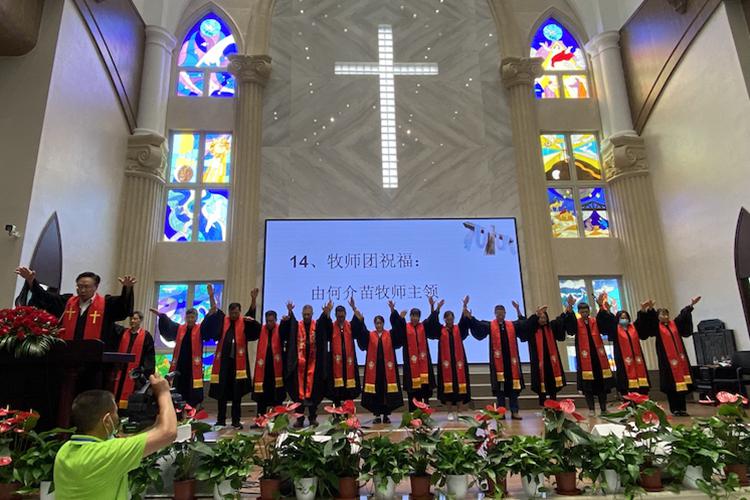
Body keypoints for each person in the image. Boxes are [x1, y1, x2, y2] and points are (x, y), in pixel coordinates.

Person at [53, 374, 177, 499]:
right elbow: (168, 433)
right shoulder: (105, 455)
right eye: (116, 412)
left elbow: (127, 443)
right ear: (107, 420)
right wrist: (163, 392)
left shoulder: (64, 451)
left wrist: (158, 422)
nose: (118, 418)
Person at [15, 267, 134, 349]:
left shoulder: (106, 304)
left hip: (94, 360)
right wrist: (31, 280)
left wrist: (127, 289)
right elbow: (46, 297)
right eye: (79, 286)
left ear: (95, 287)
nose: (82, 290)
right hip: (67, 354)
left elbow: (123, 307)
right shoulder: (67, 302)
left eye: (86, 287)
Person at [464, 297, 527, 420]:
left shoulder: (511, 325)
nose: (500, 315)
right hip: (498, 364)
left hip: (511, 364)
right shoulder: (490, 326)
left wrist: (518, 309)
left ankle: (515, 411)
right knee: (500, 390)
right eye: (498, 313)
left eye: (502, 313)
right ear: (495, 314)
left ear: (505, 314)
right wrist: (470, 317)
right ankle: (501, 412)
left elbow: (523, 324)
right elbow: (478, 325)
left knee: (514, 388)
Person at [203, 285, 256, 429]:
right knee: (222, 394)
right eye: (232, 312)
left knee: (237, 395)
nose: (235, 315)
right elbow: (214, 310)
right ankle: (220, 420)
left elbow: (252, 313)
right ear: (229, 312)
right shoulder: (223, 320)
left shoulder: (244, 322)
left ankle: (235, 420)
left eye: (237, 312)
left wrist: (253, 299)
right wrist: (211, 296)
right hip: (223, 366)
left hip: (238, 366)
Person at [636, 296, 701, 416]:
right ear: (658, 316)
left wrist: (691, 305)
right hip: (667, 362)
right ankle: (675, 409)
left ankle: (682, 409)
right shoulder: (657, 327)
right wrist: (649, 308)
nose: (665, 317)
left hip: (680, 361)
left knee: (682, 385)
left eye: (666, 314)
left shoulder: (674, 324)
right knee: (672, 386)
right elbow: (649, 322)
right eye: (662, 315)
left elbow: (683, 316)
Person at [351, 300, 403, 424]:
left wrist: (393, 311)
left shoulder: (389, 334)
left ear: (383, 323)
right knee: (376, 392)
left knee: (386, 392)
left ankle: (386, 415)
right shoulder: (370, 335)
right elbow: (361, 334)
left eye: (380, 323)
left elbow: (398, 330)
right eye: (376, 323)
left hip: (387, 369)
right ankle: (377, 414)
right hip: (374, 370)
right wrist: (358, 316)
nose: (378, 325)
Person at [283, 301, 332, 427]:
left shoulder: (317, 325)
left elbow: (325, 325)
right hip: (298, 366)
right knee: (298, 396)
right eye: (304, 314)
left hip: (314, 366)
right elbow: (289, 326)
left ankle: (312, 418)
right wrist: (289, 313)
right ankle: (299, 419)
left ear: (312, 314)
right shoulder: (296, 325)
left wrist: (326, 313)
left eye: (308, 314)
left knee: (313, 394)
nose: (306, 317)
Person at [150, 307, 209, 408]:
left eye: (192, 317)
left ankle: (192, 409)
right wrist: (162, 316)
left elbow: (209, 325)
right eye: (188, 317)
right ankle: (179, 410)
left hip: (193, 366)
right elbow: (169, 324)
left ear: (196, 318)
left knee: (192, 389)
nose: (190, 319)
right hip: (180, 365)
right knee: (179, 388)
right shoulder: (180, 329)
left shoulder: (200, 329)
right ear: (185, 318)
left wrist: (210, 314)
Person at [425, 296, 472, 421]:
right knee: (448, 387)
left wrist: (465, 306)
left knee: (460, 385)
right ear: (444, 319)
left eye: (452, 319)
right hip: (445, 364)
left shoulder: (458, 329)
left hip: (459, 363)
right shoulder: (440, 330)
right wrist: (436, 308)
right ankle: (450, 411)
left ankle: (460, 411)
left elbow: (464, 321)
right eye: (448, 319)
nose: (450, 321)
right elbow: (431, 323)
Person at [566, 300, 615, 416]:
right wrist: (570, 307)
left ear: (589, 311)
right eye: (582, 311)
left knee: (601, 385)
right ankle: (591, 409)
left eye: (586, 311)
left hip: (598, 359)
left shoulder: (595, 321)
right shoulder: (576, 323)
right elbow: (570, 329)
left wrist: (601, 307)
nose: (584, 313)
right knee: (588, 387)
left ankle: (603, 408)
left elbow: (605, 324)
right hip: (585, 361)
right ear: (578, 312)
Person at [595, 293, 650, 396]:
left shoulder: (634, 327)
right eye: (621, 318)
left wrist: (643, 309)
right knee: (625, 382)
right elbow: (606, 321)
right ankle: (628, 404)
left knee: (641, 384)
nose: (624, 319)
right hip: (623, 360)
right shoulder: (615, 329)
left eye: (626, 317)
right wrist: (601, 307)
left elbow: (642, 322)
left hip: (637, 360)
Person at [388, 300, 435, 411]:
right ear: (410, 316)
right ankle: (413, 414)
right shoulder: (405, 327)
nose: (415, 318)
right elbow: (396, 325)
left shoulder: (423, 326)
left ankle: (426, 411)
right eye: (413, 316)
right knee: (413, 391)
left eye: (417, 316)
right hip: (410, 365)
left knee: (425, 389)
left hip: (424, 365)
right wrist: (393, 311)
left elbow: (432, 319)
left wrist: (432, 306)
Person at [247, 289, 288, 416]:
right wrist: (253, 300)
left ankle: (278, 420)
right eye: (268, 320)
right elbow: (250, 321)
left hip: (276, 370)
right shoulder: (261, 329)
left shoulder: (280, 330)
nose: (269, 323)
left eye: (272, 321)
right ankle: (260, 419)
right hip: (263, 370)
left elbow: (288, 332)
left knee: (277, 397)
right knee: (262, 398)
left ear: (275, 320)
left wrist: (288, 318)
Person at [526, 302, 571, 405]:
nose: (543, 319)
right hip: (539, 363)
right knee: (541, 385)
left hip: (551, 363)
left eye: (544, 317)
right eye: (540, 318)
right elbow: (527, 325)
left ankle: (554, 404)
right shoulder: (533, 330)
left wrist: (567, 311)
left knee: (552, 385)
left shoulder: (551, 327)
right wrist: (536, 314)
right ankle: (543, 406)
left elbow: (560, 320)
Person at [112, 311, 155, 411]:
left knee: (132, 397)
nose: (132, 321)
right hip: (121, 371)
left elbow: (149, 355)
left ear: (140, 320)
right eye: (131, 318)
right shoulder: (123, 332)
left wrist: (144, 371)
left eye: (135, 319)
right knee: (117, 392)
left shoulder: (146, 336)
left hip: (135, 374)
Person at [324, 298, 361, 406]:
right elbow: (325, 325)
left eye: (342, 315)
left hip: (349, 361)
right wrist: (328, 312)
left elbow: (359, 324)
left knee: (349, 390)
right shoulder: (331, 326)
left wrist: (354, 308)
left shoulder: (350, 326)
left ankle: (349, 414)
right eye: (339, 315)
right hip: (335, 363)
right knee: (336, 391)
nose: (341, 317)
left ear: (345, 314)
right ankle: (337, 414)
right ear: (335, 315)